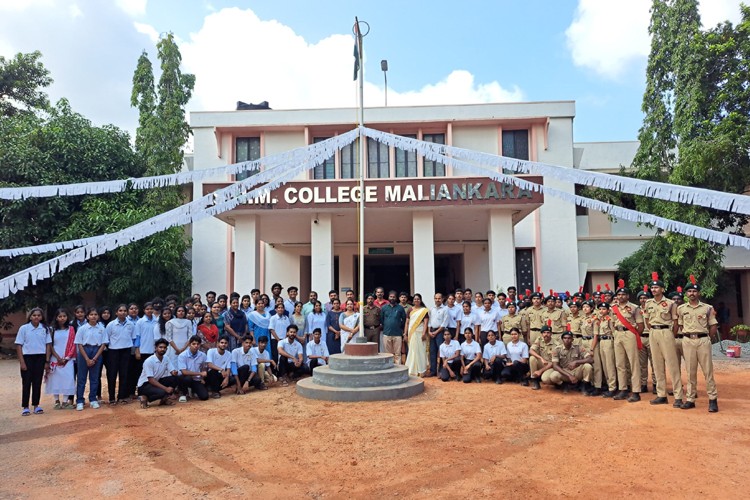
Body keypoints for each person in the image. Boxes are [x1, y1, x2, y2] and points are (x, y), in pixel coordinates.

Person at [678, 277, 719, 412]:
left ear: (699, 293)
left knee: (708, 371)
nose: (692, 293)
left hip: (703, 340)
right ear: (686, 294)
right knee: (690, 371)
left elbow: (713, 325)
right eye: (689, 291)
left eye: (694, 291)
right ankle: (690, 399)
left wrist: (707, 338)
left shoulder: (707, 308)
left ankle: (712, 399)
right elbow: (681, 325)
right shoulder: (681, 309)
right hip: (688, 340)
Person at [642, 273, 684, 407]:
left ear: (662, 289)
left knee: (672, 365)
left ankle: (678, 396)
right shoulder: (648, 303)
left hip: (666, 332)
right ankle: (661, 395)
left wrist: (671, 334)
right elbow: (647, 320)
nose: (654, 290)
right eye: (652, 288)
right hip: (653, 332)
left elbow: (676, 322)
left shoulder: (671, 304)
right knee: (657, 364)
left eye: (657, 287)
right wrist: (653, 330)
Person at [611, 282, 643, 402]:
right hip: (618, 334)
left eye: (623, 294)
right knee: (620, 363)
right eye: (619, 294)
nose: (621, 296)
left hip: (630, 334)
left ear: (628, 296)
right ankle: (623, 389)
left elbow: (640, 325)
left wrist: (634, 335)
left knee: (633, 363)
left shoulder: (634, 308)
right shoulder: (613, 308)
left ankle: (636, 391)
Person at [15, 308, 51, 416]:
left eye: (38, 315)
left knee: (37, 382)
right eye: (34, 315)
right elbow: (19, 345)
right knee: (26, 382)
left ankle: (36, 405)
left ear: (41, 317)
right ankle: (25, 406)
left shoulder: (45, 329)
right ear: (30, 317)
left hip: (40, 358)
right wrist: (22, 362)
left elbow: (48, 345)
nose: (36, 317)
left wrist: (47, 361)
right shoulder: (24, 328)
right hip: (27, 358)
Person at [74, 308, 108, 411]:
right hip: (84, 351)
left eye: (95, 314)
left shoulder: (101, 329)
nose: (93, 316)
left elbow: (104, 344)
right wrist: (87, 359)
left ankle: (93, 399)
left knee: (94, 378)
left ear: (98, 316)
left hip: (97, 351)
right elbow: (79, 344)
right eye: (91, 314)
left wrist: (95, 357)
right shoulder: (82, 329)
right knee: (81, 378)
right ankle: (80, 400)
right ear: (87, 316)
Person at [46, 309, 77, 409]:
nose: (62, 318)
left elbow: (73, 344)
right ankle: (56, 401)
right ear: (56, 318)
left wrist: (66, 358)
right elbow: (50, 345)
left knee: (68, 378)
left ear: (67, 317)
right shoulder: (52, 329)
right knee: (55, 379)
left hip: (68, 358)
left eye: (64, 316)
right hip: (55, 358)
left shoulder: (71, 329)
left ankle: (65, 401)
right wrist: (58, 357)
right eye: (60, 316)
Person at [136, 338, 179, 408]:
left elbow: (172, 371)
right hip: (145, 385)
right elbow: (151, 380)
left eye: (165, 348)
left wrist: (174, 372)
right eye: (160, 347)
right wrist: (166, 389)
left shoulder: (166, 358)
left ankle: (164, 399)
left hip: (156, 381)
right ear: (155, 348)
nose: (163, 349)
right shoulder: (149, 361)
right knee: (163, 392)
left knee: (175, 379)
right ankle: (144, 397)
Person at [105, 304, 134, 405]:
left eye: (125, 311)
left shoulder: (131, 324)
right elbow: (106, 339)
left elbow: (133, 337)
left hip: (126, 351)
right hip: (113, 352)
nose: (123, 312)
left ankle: (121, 396)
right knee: (112, 375)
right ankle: (112, 398)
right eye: (120, 310)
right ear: (116, 312)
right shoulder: (111, 325)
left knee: (124, 375)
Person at [593, 302, 617, 398]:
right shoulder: (600, 320)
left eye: (604, 309)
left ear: (608, 310)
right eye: (600, 309)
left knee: (610, 365)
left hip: (608, 341)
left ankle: (613, 387)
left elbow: (614, 332)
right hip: (602, 342)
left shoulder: (609, 319)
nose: (601, 311)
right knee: (605, 366)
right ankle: (608, 386)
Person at [176, 335, 209, 401]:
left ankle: (193, 390)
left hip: (197, 379)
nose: (196, 346)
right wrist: (200, 373)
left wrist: (202, 378)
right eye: (193, 344)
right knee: (186, 378)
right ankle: (183, 393)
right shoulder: (182, 355)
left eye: (198, 344)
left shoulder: (203, 355)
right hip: (185, 378)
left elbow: (204, 367)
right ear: (189, 345)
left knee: (204, 397)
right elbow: (184, 372)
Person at [404, 293, 429, 377]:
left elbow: (425, 323)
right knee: (412, 351)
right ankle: (412, 369)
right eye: (415, 299)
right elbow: (407, 323)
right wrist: (405, 334)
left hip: (420, 332)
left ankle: (421, 370)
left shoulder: (424, 310)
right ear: (413, 300)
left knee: (421, 351)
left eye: (418, 299)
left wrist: (424, 333)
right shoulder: (410, 310)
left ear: (420, 300)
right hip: (412, 333)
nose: (416, 300)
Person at [381, 290, 407, 365]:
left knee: (397, 354)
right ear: (388, 297)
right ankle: (389, 368)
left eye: (394, 297)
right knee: (388, 354)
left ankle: (398, 370)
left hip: (397, 334)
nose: (392, 298)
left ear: (396, 298)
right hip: (386, 333)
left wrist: (398, 326)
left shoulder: (400, 308)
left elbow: (404, 320)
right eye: (391, 297)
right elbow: (382, 320)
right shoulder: (384, 308)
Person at [528, 325, 556, 390]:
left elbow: (553, 362)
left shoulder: (556, 344)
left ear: (551, 334)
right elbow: (531, 350)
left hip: (550, 366)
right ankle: (535, 380)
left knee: (545, 379)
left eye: (548, 332)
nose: (546, 334)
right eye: (544, 332)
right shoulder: (539, 339)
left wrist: (540, 371)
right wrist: (541, 358)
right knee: (532, 358)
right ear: (541, 334)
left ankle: (557, 384)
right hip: (542, 362)